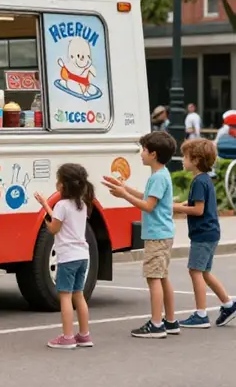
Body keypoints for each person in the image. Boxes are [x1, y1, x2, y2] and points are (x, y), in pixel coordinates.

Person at [103, 130, 178, 338]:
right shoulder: (161, 174)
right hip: (163, 233)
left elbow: (148, 206)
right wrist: (124, 187)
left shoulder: (157, 178)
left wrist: (123, 195)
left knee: (153, 278)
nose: (141, 153)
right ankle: (170, 321)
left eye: (144, 150)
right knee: (162, 277)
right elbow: (148, 197)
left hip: (157, 235)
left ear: (153, 154)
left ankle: (156, 324)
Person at [172, 139, 236, 328]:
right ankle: (228, 304)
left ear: (197, 160)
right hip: (210, 232)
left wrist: (175, 207)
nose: (182, 160)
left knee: (195, 271)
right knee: (205, 272)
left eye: (185, 156)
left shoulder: (199, 181)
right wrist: (185, 204)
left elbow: (199, 210)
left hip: (203, 234)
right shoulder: (204, 179)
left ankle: (201, 314)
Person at [35, 163, 95, 349]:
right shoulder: (81, 205)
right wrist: (46, 204)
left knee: (65, 297)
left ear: (63, 185)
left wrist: (46, 222)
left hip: (67, 258)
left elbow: (55, 227)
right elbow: (63, 221)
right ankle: (84, 335)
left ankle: (67, 337)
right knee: (79, 295)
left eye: (58, 179)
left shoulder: (61, 205)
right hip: (82, 256)